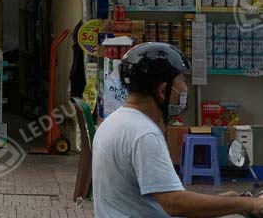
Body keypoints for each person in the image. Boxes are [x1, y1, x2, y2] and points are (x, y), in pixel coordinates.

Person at [92, 42, 263, 218]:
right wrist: (250, 204)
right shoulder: (144, 134)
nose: (185, 89)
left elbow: (156, 199)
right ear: (163, 91)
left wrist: (232, 202)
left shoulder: (112, 122)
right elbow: (174, 203)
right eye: (182, 81)